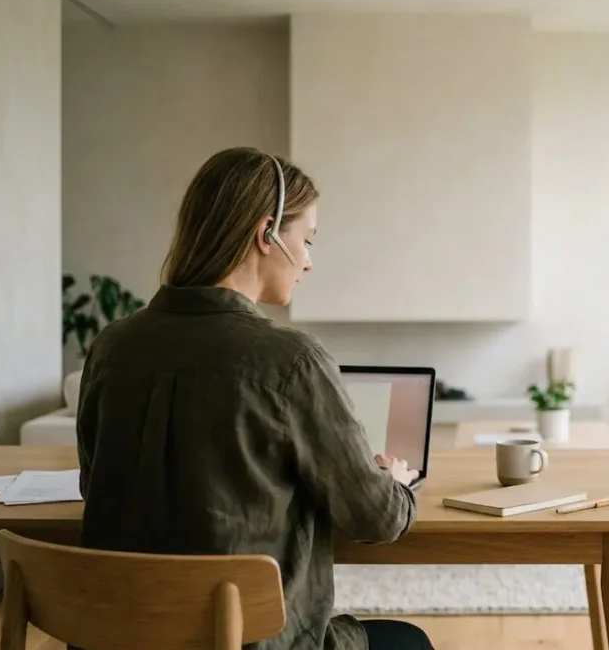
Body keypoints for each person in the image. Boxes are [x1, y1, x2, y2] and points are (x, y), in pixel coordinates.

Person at [74, 147, 435, 650]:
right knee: (408, 641)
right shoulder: (293, 361)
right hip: (246, 642)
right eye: (306, 239)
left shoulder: (111, 346)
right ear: (266, 234)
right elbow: (376, 518)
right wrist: (394, 484)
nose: (308, 261)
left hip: (119, 640)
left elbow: (95, 486)